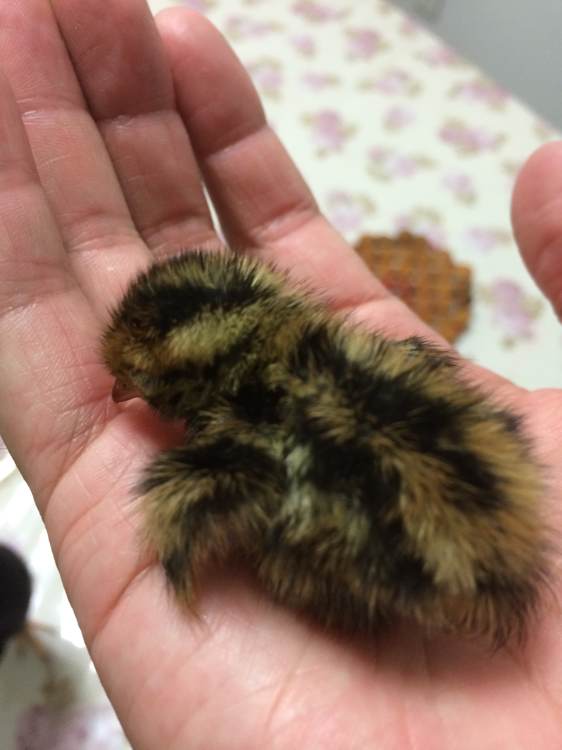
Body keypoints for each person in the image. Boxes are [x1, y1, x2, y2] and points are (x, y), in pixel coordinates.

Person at [0, 1, 560, 747]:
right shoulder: (339, 354)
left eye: (149, 382)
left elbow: (184, 514)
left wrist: (183, 552)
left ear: (201, 378)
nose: (125, 394)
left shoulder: (242, 452)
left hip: (436, 558)